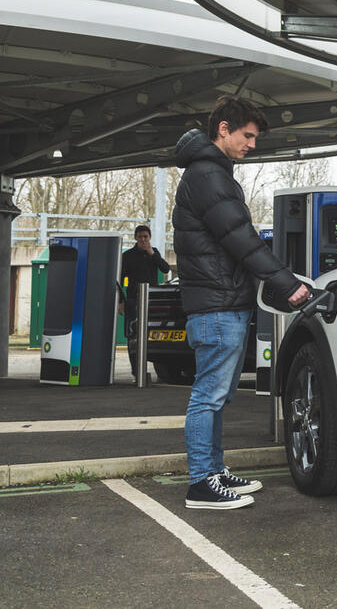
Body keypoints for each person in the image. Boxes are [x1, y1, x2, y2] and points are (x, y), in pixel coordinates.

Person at [173, 95, 309, 510]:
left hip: (222, 301)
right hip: (216, 305)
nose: (252, 144)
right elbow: (239, 237)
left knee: (218, 395)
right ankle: (201, 483)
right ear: (223, 130)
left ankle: (213, 470)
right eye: (247, 136)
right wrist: (285, 282)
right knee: (208, 396)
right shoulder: (207, 175)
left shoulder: (211, 173)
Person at [118, 224, 171, 378]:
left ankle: (160, 371)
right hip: (133, 300)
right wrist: (120, 301)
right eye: (140, 237)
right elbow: (120, 279)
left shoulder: (154, 253)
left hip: (152, 301)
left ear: (150, 238)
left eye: (145, 237)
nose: (143, 240)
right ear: (135, 238)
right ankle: (137, 371)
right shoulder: (127, 256)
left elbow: (165, 269)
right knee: (132, 335)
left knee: (153, 334)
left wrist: (152, 253)